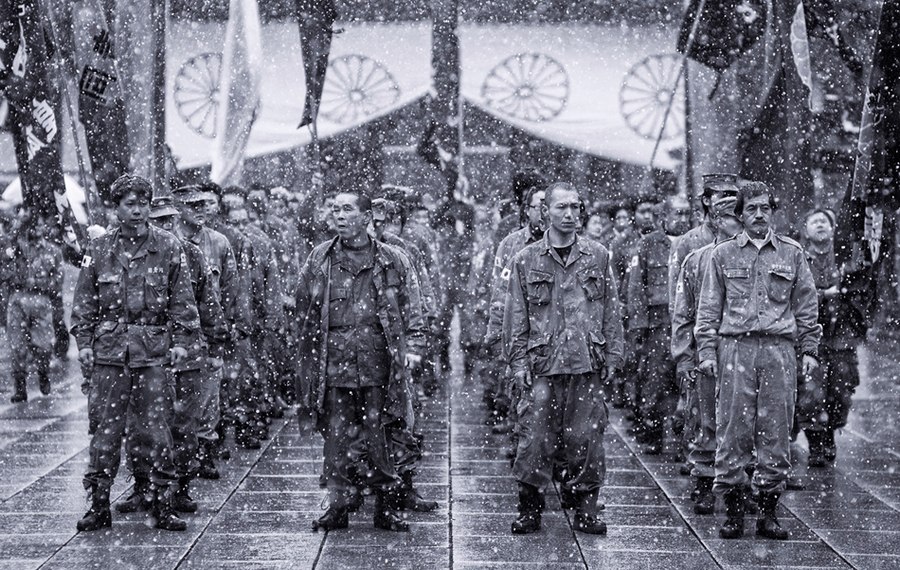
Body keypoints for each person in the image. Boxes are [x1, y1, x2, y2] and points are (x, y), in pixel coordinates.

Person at [72, 175, 200, 532]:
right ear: (117, 208)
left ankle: (162, 504)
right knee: (105, 432)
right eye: (130, 204)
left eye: (143, 204)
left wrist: (181, 342)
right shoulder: (99, 249)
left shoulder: (168, 246)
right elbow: (84, 302)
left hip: (153, 354)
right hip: (110, 356)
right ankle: (99, 504)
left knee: (157, 430)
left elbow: (182, 301)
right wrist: (84, 344)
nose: (138, 210)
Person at [295, 191, 427, 533]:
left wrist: (413, 348)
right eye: (335, 209)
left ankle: (385, 506)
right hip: (334, 364)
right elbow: (304, 310)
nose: (339, 216)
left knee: (380, 436)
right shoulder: (320, 258)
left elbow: (413, 309)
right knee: (336, 439)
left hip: (379, 363)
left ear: (366, 217)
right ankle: (338, 506)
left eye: (347, 209)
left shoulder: (392, 259)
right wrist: (308, 359)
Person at [695, 181, 820, 540]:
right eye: (751, 208)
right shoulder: (722, 255)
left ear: (772, 211)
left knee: (776, 430)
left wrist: (809, 350)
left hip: (779, 351)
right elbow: (709, 308)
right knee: (733, 429)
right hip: (736, 349)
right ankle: (734, 511)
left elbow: (806, 304)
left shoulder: (792, 253)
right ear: (740, 214)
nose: (760, 214)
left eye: (765, 207)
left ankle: (768, 511)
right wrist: (706, 352)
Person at [503, 182, 624, 536]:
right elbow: (516, 316)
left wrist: (614, 356)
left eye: (575, 207)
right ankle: (530, 508)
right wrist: (518, 363)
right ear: (546, 212)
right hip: (542, 364)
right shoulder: (526, 259)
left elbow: (611, 310)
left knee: (587, 439)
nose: (570, 214)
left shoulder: (597, 255)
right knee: (534, 439)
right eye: (561, 207)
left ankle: (586, 508)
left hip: (586, 362)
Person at [113, 194, 227, 515]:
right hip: (145, 355)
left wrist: (216, 345)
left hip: (185, 355)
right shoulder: (131, 253)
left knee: (183, 425)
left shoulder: (191, 254)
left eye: (168, 219)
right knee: (140, 425)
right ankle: (142, 486)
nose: (164, 225)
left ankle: (180, 488)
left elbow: (208, 303)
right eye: (158, 220)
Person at [670, 195, 743, 514]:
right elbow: (682, 314)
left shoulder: (752, 257)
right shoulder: (696, 260)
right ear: (716, 220)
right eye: (731, 217)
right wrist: (684, 357)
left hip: (742, 352)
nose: (738, 223)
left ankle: (740, 483)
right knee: (704, 421)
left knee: (743, 422)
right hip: (706, 353)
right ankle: (704, 481)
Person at [799, 208, 863, 466]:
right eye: (814, 221)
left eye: (824, 221)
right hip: (810, 335)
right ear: (806, 231)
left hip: (841, 336)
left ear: (833, 228)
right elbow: (796, 294)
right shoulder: (799, 258)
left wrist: (846, 295)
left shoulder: (846, 258)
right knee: (810, 394)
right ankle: (815, 444)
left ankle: (830, 435)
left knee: (841, 392)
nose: (820, 225)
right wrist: (823, 295)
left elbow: (860, 291)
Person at [625, 195, 688, 454]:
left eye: (686, 213)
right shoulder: (648, 244)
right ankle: (653, 431)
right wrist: (638, 328)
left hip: (685, 322)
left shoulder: (695, 242)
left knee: (686, 381)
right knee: (655, 380)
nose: (682, 219)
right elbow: (636, 287)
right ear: (664, 216)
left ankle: (685, 440)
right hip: (658, 324)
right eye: (677, 213)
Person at [4, 213, 62, 402]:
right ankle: (20, 387)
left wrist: (39, 283)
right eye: (32, 225)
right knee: (17, 346)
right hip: (17, 299)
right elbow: (4, 270)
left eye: (39, 225)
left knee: (43, 345)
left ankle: (43, 374)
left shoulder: (53, 251)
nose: (36, 229)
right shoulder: (14, 248)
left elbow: (58, 279)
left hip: (41, 301)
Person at [668, 174, 740, 314]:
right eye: (724, 195)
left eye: (733, 195)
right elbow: (676, 299)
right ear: (706, 200)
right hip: (700, 321)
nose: (729, 200)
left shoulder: (744, 238)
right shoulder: (687, 242)